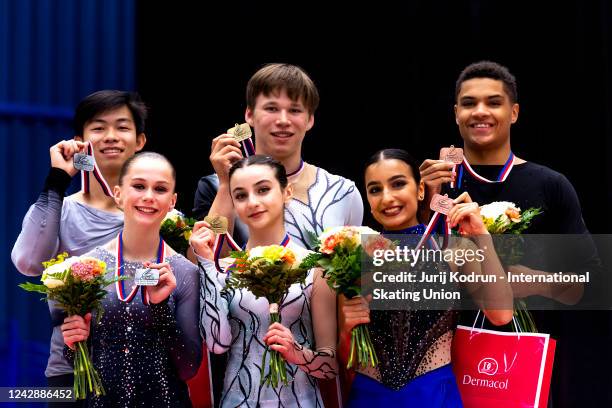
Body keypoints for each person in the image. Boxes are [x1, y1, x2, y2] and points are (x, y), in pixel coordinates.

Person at [419, 61, 602, 405]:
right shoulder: (438, 182)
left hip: (521, 368)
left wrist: (536, 280)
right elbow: (407, 278)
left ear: (514, 112)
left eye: (494, 102)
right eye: (470, 103)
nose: (480, 112)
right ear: (456, 112)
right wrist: (425, 204)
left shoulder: (550, 186)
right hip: (438, 369)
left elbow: (591, 282)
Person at [339, 148, 513, 406]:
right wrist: (345, 329)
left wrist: (482, 236)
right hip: (370, 396)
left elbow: (501, 315)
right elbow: (345, 357)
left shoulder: (453, 250)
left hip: (434, 395)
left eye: (398, 184)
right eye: (375, 189)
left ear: (421, 190)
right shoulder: (353, 256)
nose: (387, 198)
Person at [11, 90, 147, 405]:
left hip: (146, 371)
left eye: (122, 127)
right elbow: (29, 262)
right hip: (70, 373)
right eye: (98, 128)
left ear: (140, 141)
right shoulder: (62, 209)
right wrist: (58, 178)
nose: (110, 137)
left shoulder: (162, 214)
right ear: (80, 140)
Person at [190, 155, 338, 407]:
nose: (253, 202)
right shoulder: (224, 269)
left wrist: (298, 354)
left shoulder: (316, 267)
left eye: (263, 190)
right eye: (241, 195)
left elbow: (330, 367)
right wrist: (205, 264)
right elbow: (216, 344)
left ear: (286, 192)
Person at [60, 152, 202, 407]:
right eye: (138, 186)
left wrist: (160, 309)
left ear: (172, 201)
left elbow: (189, 368)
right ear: (118, 193)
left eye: (160, 189)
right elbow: (77, 363)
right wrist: (72, 344)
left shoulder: (184, 272)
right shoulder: (88, 266)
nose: (148, 196)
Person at [193, 63, 363, 249]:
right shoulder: (214, 185)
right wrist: (226, 184)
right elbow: (203, 264)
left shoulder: (343, 192)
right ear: (249, 115)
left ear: (310, 119)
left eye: (295, 110)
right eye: (271, 108)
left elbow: (353, 271)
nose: (283, 121)